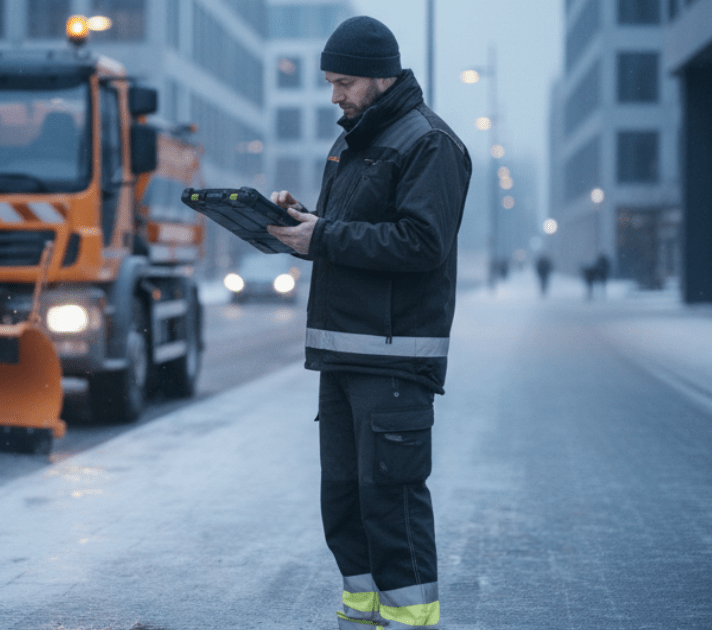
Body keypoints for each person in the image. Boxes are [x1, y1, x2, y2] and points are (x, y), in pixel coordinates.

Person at [266, 15, 471, 630]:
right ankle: (361, 612)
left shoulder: (430, 143)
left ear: (382, 77)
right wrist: (302, 220)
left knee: (391, 500)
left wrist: (322, 235)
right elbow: (352, 229)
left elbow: (420, 243)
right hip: (343, 352)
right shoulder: (352, 141)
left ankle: (413, 620)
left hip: (394, 355)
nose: (336, 95)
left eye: (345, 82)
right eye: (331, 82)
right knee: (345, 498)